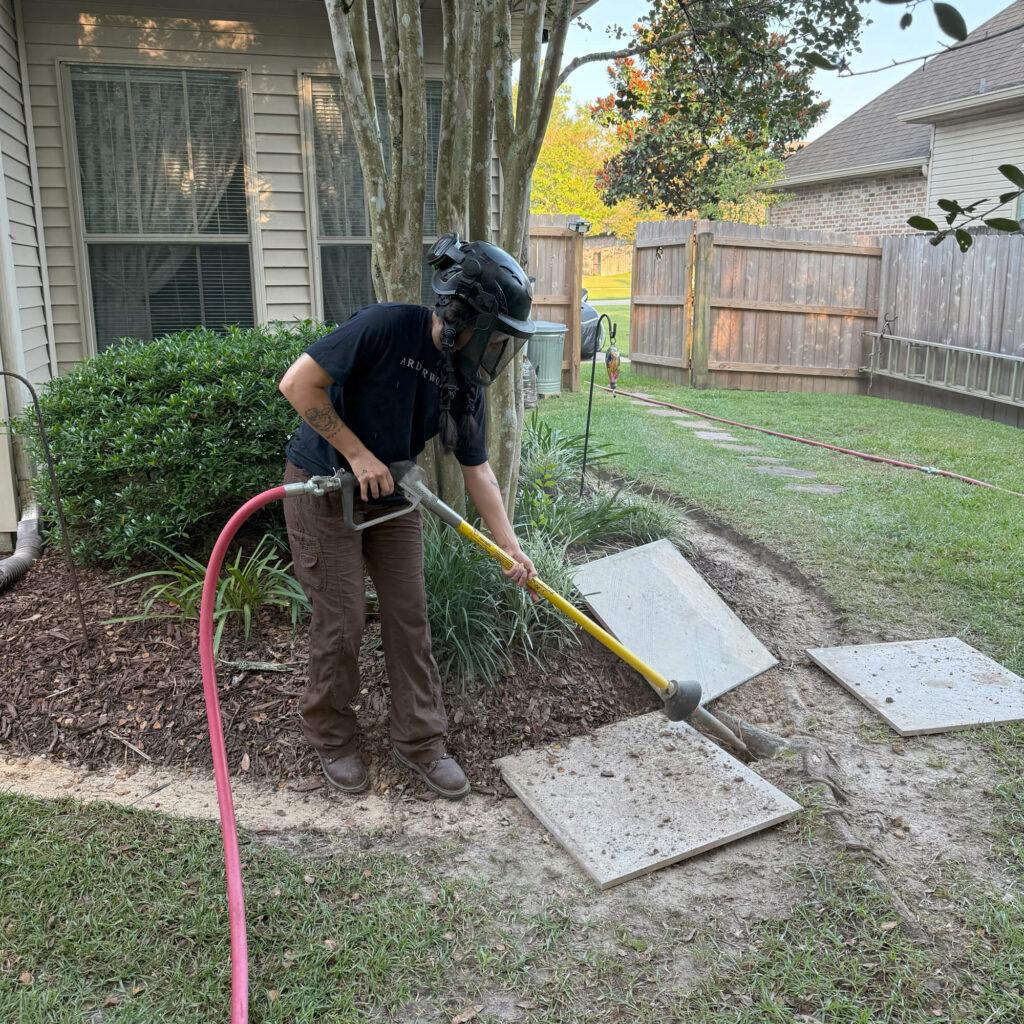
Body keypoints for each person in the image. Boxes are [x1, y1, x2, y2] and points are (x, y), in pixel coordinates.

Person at [278, 234, 538, 800]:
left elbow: (479, 472)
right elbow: (297, 384)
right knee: (342, 619)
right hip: (323, 488)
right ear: (464, 316)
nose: (498, 350)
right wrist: (355, 451)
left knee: (408, 617)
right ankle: (332, 737)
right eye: (495, 335)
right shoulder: (386, 326)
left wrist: (510, 545)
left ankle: (420, 739)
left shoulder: (464, 382)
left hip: (391, 494)